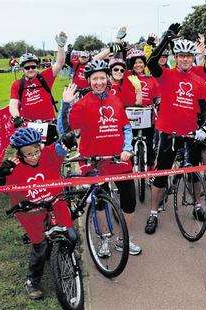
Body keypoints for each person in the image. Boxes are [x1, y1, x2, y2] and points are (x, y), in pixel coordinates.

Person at [58, 60, 142, 256]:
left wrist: (127, 147)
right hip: (95, 162)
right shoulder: (82, 103)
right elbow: (67, 129)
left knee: (129, 201)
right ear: (88, 81)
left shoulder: (115, 99)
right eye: (94, 78)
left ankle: (124, 239)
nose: (99, 82)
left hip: (119, 160)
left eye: (102, 77)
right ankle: (104, 239)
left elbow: (126, 127)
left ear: (107, 78)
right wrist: (66, 104)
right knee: (100, 202)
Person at [145, 24, 206, 234]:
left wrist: (203, 128)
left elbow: (205, 112)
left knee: (193, 174)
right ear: (176, 57)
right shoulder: (165, 75)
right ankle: (153, 213)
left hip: (190, 134)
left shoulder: (199, 81)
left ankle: (197, 206)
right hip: (168, 133)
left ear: (193, 58)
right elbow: (150, 62)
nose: (185, 59)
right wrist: (167, 38)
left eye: (189, 56)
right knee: (161, 176)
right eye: (181, 56)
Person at [0, 128, 77, 300]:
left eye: (36, 151)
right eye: (28, 154)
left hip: (55, 199)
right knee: (40, 247)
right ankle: (32, 280)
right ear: (19, 153)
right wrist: (0, 175)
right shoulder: (12, 166)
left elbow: (61, 146)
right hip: (29, 209)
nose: (34, 156)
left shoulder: (47, 153)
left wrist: (69, 138)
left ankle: (65, 256)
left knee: (71, 234)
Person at [9, 31, 67, 143]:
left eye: (33, 66)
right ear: (22, 69)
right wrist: (16, 116)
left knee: (49, 152)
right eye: (27, 67)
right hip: (28, 124)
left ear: (37, 66)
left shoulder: (44, 77)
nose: (30, 69)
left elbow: (59, 63)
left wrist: (61, 47)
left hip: (48, 122)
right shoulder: (17, 84)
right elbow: (13, 103)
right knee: (31, 154)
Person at [120, 48, 161, 168]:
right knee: (130, 142)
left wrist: (158, 103)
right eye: (135, 63)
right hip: (130, 114)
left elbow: (157, 95)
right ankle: (129, 168)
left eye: (140, 62)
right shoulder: (127, 77)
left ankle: (150, 167)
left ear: (144, 64)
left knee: (149, 142)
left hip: (147, 114)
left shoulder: (151, 79)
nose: (138, 65)